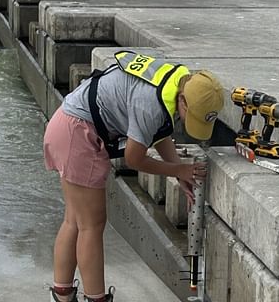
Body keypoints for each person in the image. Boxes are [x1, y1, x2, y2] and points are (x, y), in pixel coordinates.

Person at [43, 50, 225, 302]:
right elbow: (134, 158)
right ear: (183, 101)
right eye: (191, 117)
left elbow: (157, 133)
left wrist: (177, 169)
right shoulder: (149, 103)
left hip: (67, 125)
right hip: (79, 134)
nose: (188, 123)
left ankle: (62, 295)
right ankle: (96, 299)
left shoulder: (173, 81)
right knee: (91, 225)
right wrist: (178, 169)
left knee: (74, 220)